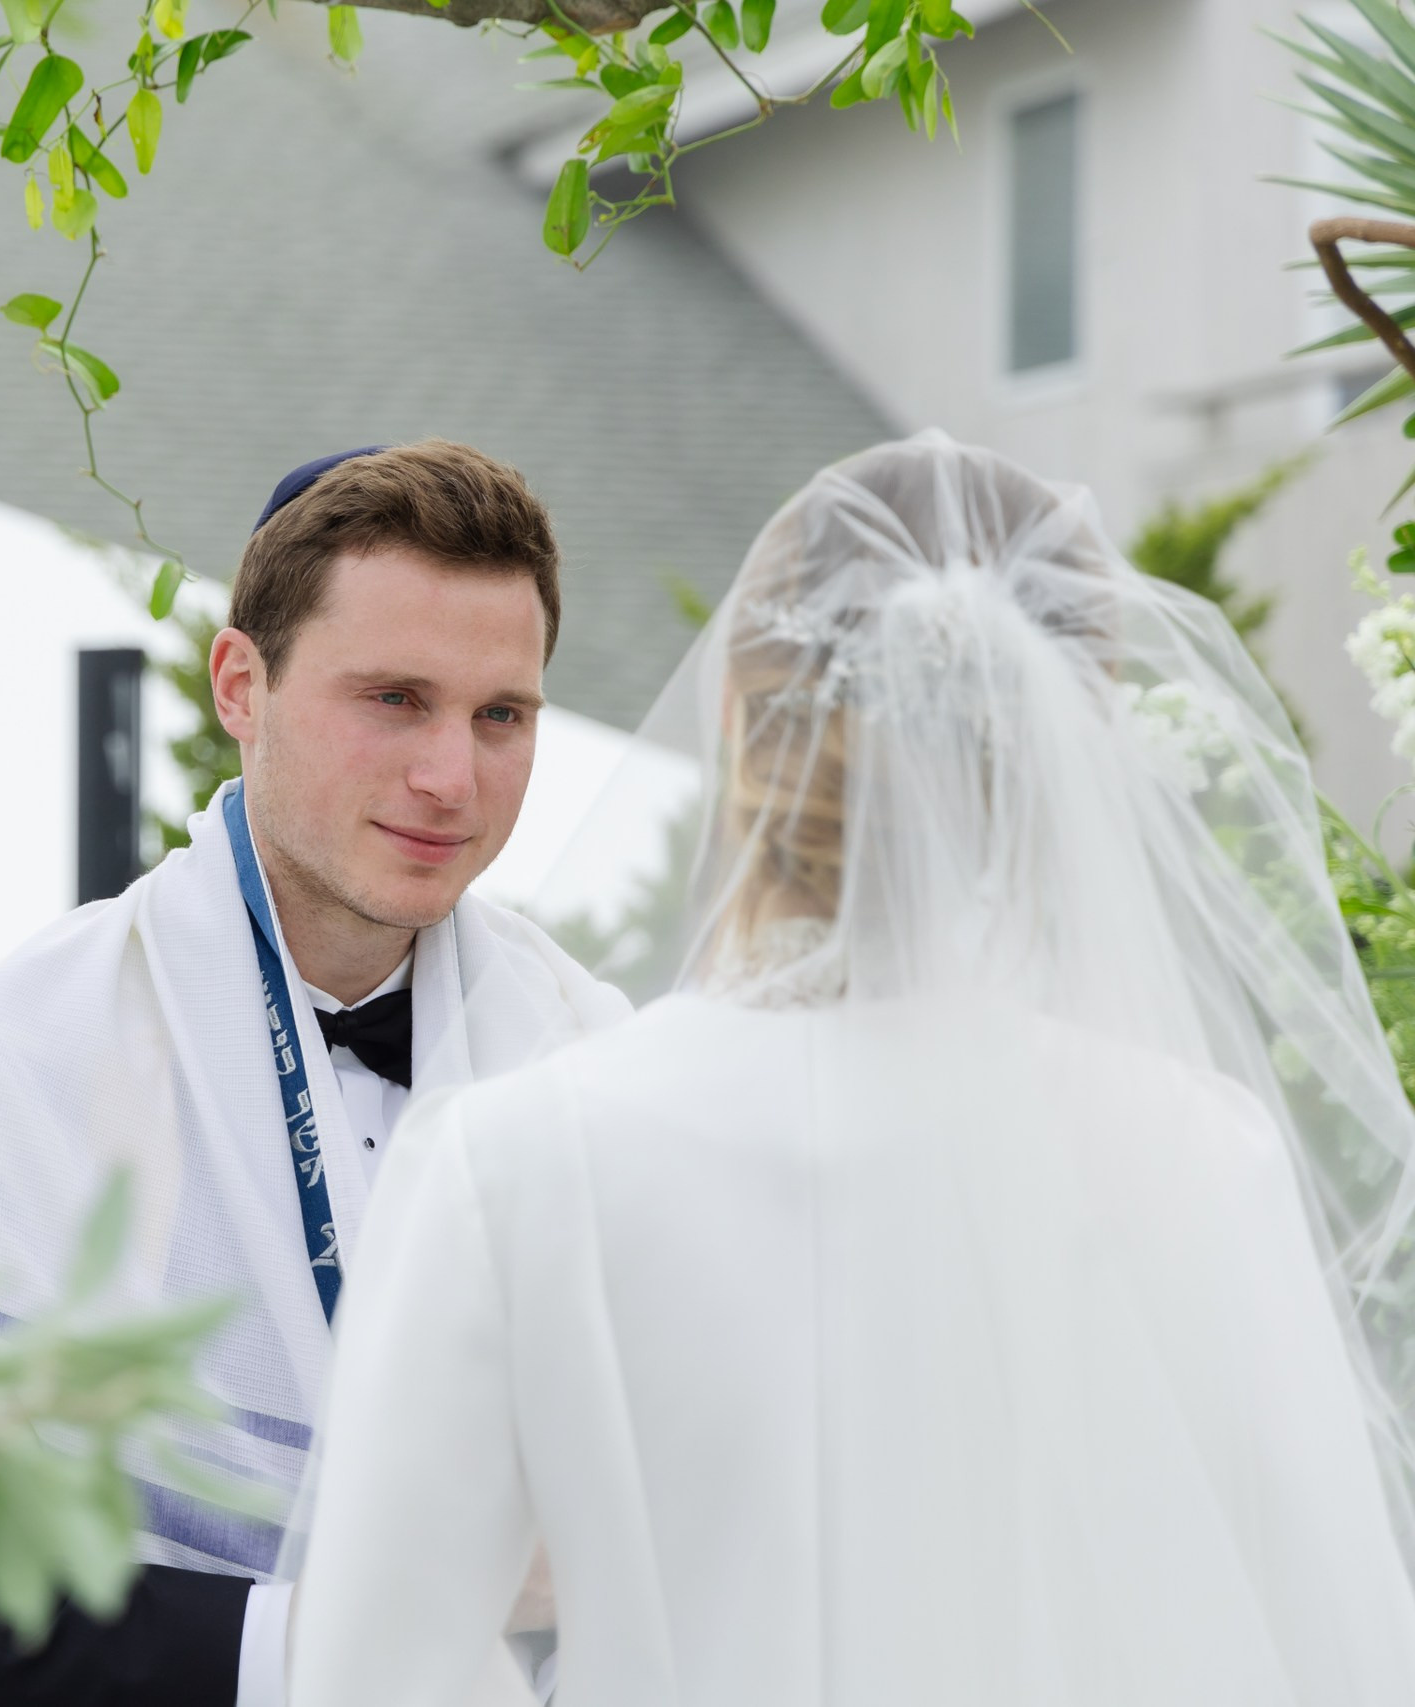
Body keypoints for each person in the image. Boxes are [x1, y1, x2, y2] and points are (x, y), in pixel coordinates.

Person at [286, 432, 1415, 1706]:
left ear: (734, 710)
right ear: (1068, 748)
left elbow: (368, 1677)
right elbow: (1342, 1655)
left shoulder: (518, 1166)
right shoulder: (1203, 1154)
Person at [0, 439, 629, 1707]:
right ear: (241, 683)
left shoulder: (602, 1057)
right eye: (393, 697)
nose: (452, 777)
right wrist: (315, 1650)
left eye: (500, 714)